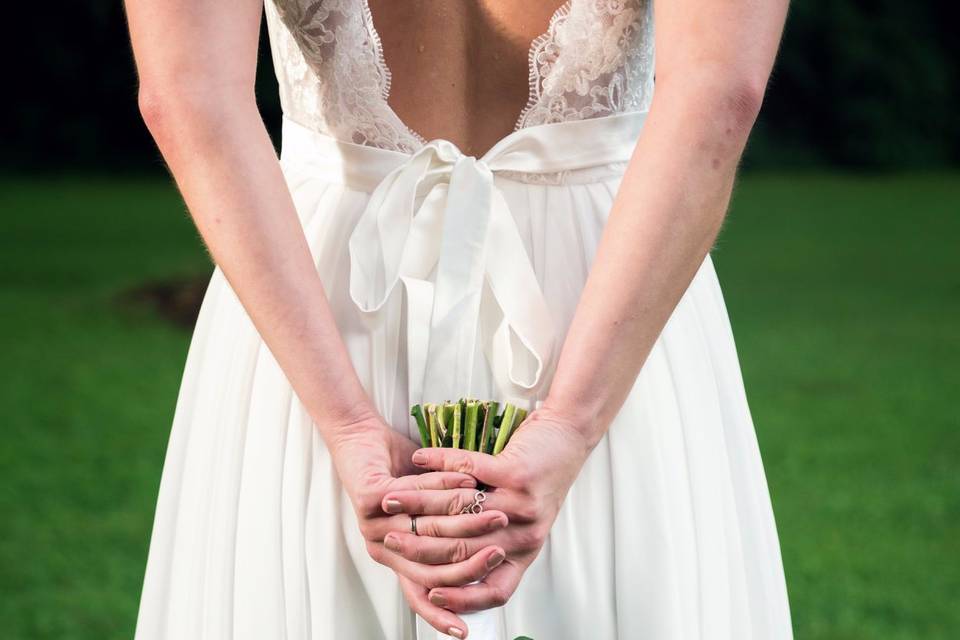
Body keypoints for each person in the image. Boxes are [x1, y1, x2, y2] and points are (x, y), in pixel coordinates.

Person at [125, 0, 792, 638]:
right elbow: (718, 93)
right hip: (611, 296)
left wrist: (346, 422)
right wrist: (569, 423)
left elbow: (187, 94)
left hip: (316, 303)